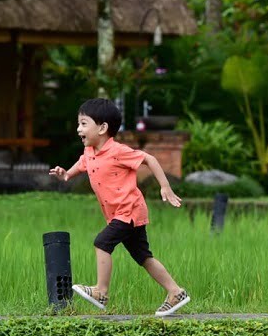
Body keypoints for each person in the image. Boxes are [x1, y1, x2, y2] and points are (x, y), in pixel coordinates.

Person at [50, 98, 190, 316]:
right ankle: (175, 292)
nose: (79, 129)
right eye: (79, 124)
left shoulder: (117, 151)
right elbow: (82, 164)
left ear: (103, 128)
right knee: (143, 257)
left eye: (84, 123)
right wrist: (66, 174)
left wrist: (165, 187)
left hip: (129, 211)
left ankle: (101, 292)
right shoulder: (90, 151)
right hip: (119, 214)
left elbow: (149, 159)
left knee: (102, 243)